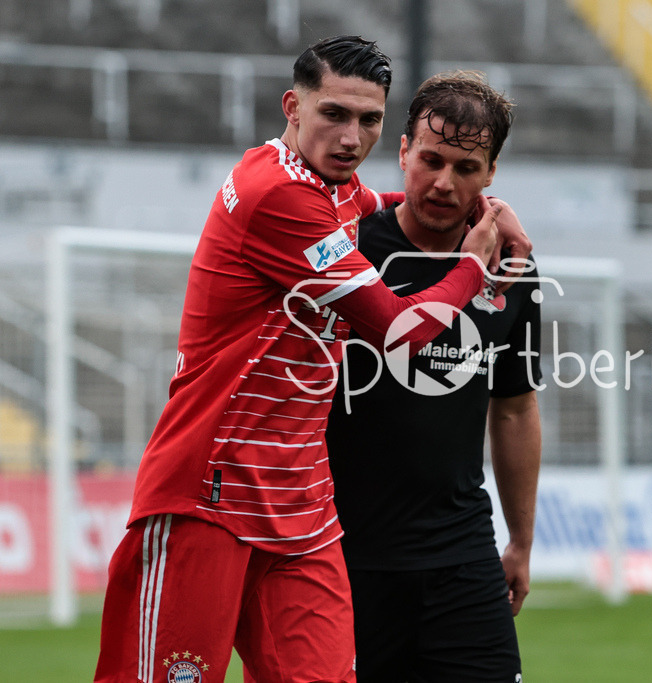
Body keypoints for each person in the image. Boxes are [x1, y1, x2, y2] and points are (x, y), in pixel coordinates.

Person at [94, 37, 531, 683]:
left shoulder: (334, 189)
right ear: (292, 107)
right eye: (334, 114)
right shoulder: (277, 193)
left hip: (301, 503)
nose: (351, 136)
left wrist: (485, 209)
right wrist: (473, 260)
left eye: (369, 119)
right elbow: (398, 330)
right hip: (212, 490)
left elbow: (376, 203)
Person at [326, 71, 541, 682]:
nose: (445, 182)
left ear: (491, 173)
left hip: (462, 558)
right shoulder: (348, 246)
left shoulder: (512, 268)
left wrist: (519, 540)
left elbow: (515, 407)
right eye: (431, 159)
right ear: (402, 152)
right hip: (343, 556)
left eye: (467, 168)